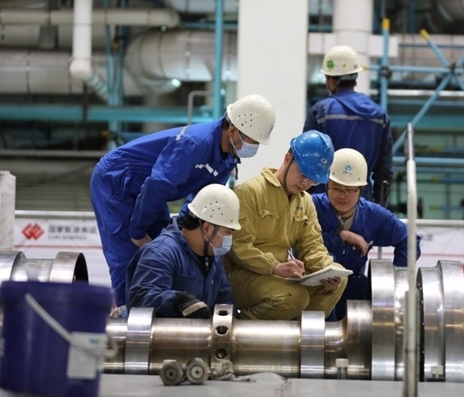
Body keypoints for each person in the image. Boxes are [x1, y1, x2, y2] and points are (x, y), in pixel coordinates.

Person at [90, 94, 275, 315]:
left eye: (257, 143)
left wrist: (189, 231)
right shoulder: (195, 143)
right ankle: (125, 313)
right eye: (252, 141)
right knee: (128, 253)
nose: (253, 147)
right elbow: (158, 185)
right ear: (233, 130)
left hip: (150, 190)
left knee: (165, 248)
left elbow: (201, 202)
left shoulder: (227, 159)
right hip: (116, 180)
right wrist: (138, 231)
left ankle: (166, 313)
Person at [223, 130, 348, 320]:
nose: (305, 183)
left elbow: (312, 246)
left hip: (281, 277)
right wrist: (274, 267)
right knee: (294, 297)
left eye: (312, 179)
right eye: (303, 174)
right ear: (287, 159)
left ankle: (301, 332)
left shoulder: (305, 202)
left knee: (338, 281)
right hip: (243, 274)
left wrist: (327, 269)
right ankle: (241, 326)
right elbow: (238, 247)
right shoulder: (249, 193)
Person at [312, 148, 422, 320]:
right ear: (327, 184)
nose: (342, 195)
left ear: (361, 189)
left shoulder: (373, 216)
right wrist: (340, 237)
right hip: (314, 286)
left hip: (351, 288)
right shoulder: (311, 206)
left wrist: (396, 277)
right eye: (336, 188)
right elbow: (296, 239)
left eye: (350, 190)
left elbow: (409, 240)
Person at [126, 184, 240, 318]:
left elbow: (224, 302)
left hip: (196, 331)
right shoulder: (160, 252)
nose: (228, 239)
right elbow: (142, 297)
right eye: (227, 232)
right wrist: (179, 301)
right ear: (207, 229)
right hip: (161, 332)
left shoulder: (213, 259)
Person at [303, 44, 393, 203]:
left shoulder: (321, 112)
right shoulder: (379, 116)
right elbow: (384, 173)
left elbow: (306, 162)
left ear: (332, 79)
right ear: (355, 76)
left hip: (322, 202)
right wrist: (378, 209)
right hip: (361, 203)